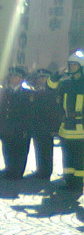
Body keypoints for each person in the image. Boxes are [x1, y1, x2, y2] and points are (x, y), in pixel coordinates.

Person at [48, 50, 84, 191]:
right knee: (67, 155)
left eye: (74, 65)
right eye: (70, 65)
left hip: (81, 128)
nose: (71, 68)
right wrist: (57, 74)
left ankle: (78, 182)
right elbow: (50, 86)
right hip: (65, 127)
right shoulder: (65, 82)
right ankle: (68, 180)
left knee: (79, 157)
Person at [31, 68, 62, 180]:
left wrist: (54, 127)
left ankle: (46, 172)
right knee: (38, 149)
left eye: (43, 77)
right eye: (39, 78)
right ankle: (40, 170)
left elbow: (55, 111)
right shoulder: (35, 90)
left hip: (47, 126)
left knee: (46, 150)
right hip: (37, 125)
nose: (41, 80)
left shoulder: (53, 92)